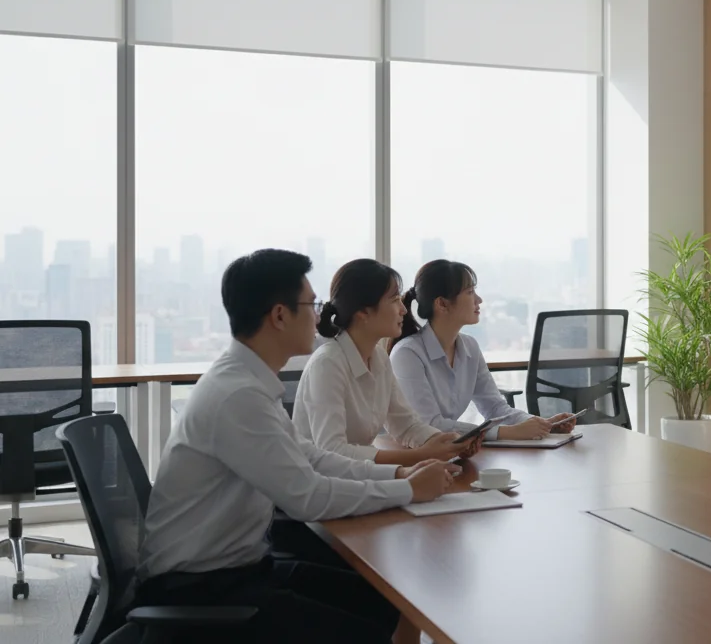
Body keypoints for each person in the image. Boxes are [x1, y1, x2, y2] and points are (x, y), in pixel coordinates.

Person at [138, 249, 457, 644]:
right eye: (311, 304)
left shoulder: (249, 381)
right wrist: (408, 489)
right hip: (200, 588)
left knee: (387, 601)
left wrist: (398, 473)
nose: (320, 315)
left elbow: (311, 456)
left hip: (242, 566)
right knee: (367, 629)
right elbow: (308, 497)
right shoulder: (238, 396)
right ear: (279, 315)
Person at [293, 258, 482, 465]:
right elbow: (332, 451)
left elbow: (406, 425)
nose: (403, 309)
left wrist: (445, 441)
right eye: (394, 301)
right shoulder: (327, 363)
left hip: (358, 480)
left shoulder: (379, 358)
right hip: (322, 488)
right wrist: (419, 456)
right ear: (363, 311)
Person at [389, 259, 578, 442]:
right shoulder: (407, 354)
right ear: (442, 304)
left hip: (452, 452)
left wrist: (539, 424)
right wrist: (506, 433)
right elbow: (430, 425)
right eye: (470, 292)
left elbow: (495, 408)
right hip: (413, 456)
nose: (479, 300)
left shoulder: (470, 346)